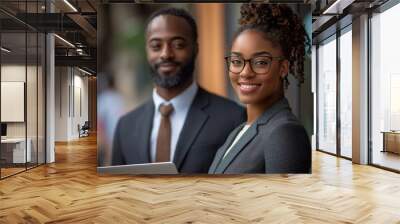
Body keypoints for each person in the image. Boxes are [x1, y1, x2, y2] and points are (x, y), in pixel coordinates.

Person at [111, 7, 246, 173]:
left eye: (178, 45)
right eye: (156, 46)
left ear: (196, 49)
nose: (166, 54)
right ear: (147, 51)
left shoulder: (233, 118)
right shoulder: (126, 126)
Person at [209, 3, 311, 174]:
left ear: (283, 68)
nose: (245, 72)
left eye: (261, 63)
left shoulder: (284, 133)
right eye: (236, 62)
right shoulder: (238, 131)